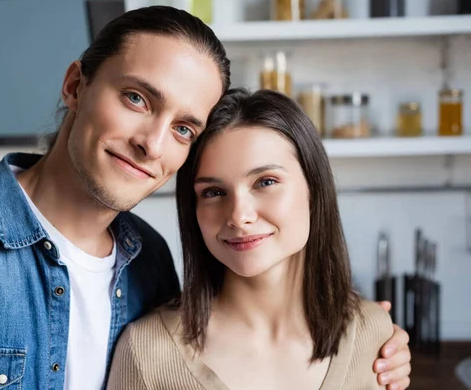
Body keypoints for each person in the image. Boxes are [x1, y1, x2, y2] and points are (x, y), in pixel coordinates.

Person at [0, 6, 410, 390]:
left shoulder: (148, 263)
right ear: (75, 87)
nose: (151, 142)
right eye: (136, 98)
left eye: (183, 129)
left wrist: (375, 340)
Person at [107, 89, 411, 390]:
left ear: (314, 190)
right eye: (213, 192)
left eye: (266, 182)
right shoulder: (146, 354)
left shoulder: (375, 335)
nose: (239, 216)